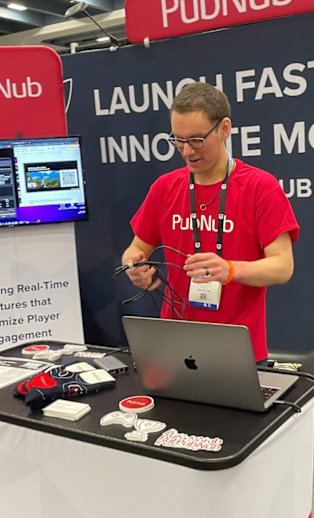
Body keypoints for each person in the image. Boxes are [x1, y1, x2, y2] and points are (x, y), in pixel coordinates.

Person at [122, 82, 299, 365]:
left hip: (237, 348)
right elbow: (136, 248)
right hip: (174, 343)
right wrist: (134, 266)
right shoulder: (164, 187)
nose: (186, 151)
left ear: (224, 129)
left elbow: (282, 266)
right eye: (178, 140)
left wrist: (229, 269)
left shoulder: (260, 187)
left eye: (196, 139)